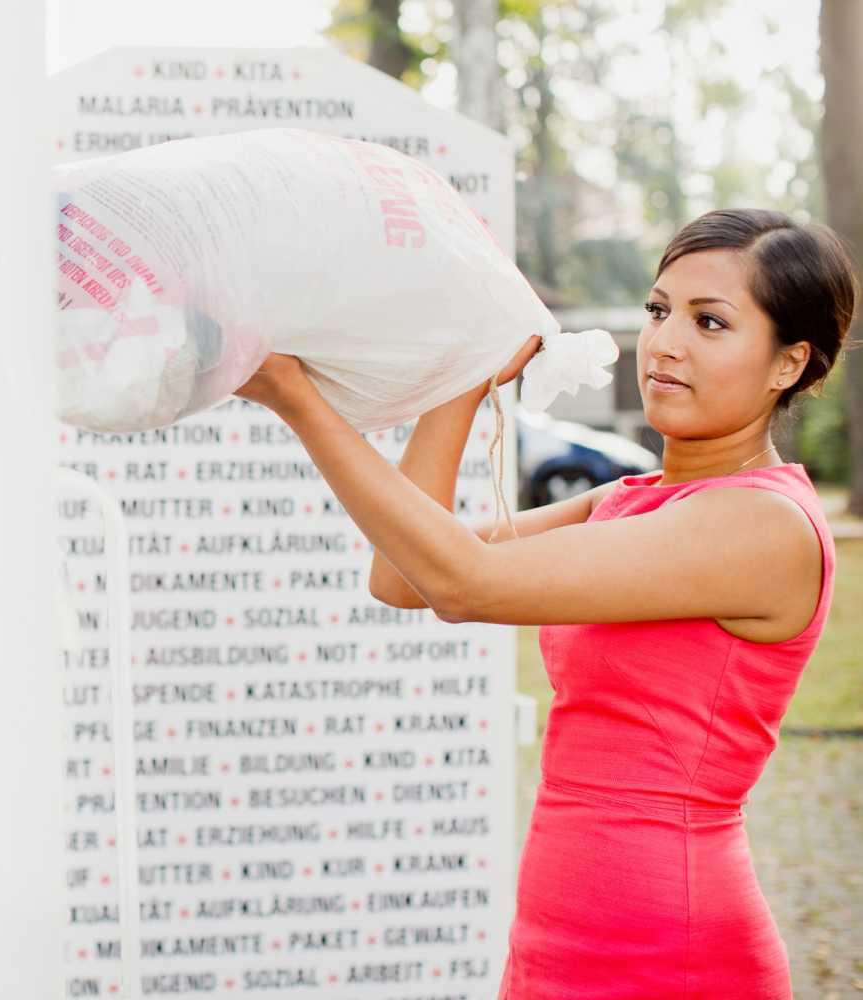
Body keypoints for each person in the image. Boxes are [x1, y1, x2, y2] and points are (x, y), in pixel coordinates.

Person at [233, 207, 858, 998]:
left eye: (710, 322)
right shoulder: (626, 500)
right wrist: (463, 382)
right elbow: (403, 577)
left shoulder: (761, 523)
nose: (665, 343)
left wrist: (298, 400)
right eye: (658, 310)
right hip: (557, 935)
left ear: (788, 363)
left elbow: (463, 584)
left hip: (670, 949)